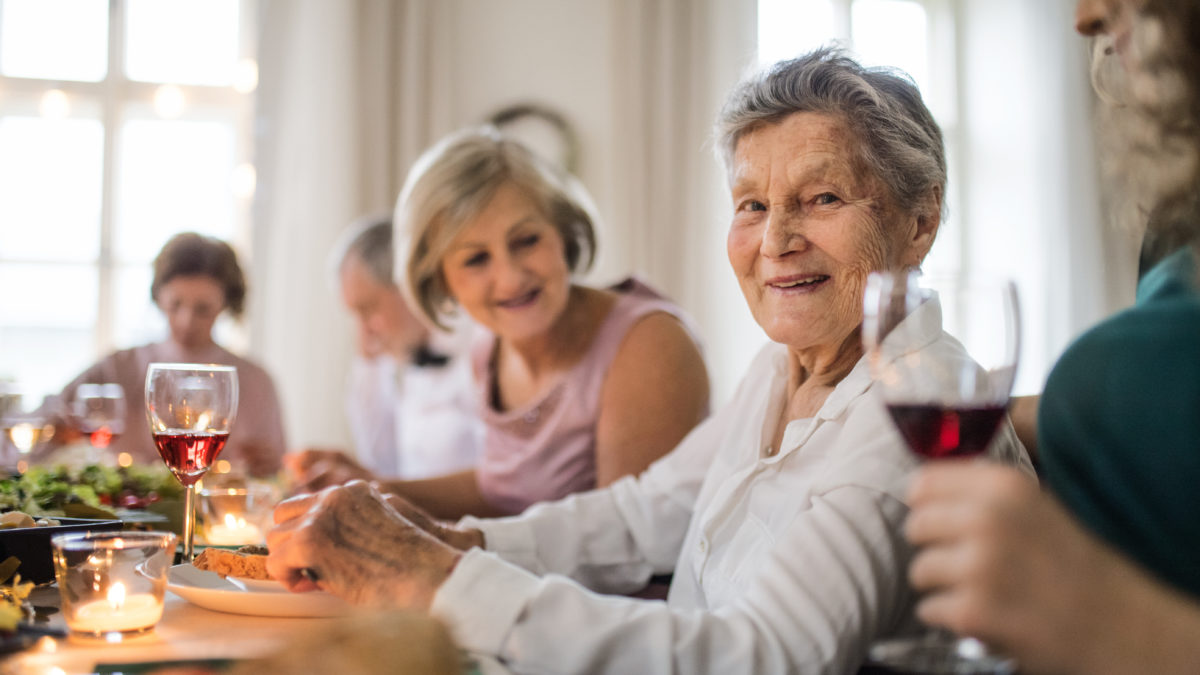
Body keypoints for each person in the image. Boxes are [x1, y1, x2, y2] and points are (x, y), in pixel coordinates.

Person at [264, 49, 1032, 674]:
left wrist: (436, 577)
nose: (774, 242)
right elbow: (640, 512)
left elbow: (764, 657)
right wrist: (458, 541)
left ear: (920, 219)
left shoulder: (917, 418)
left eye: (822, 197)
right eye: (752, 204)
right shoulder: (780, 371)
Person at [904, 0, 1200, 672]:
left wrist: (1119, 622)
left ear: (920, 220)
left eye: (824, 197)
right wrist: (983, 418)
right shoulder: (1180, 223)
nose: (1086, 15)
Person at [289, 128, 712, 520]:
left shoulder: (647, 346)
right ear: (439, 281)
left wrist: (436, 549)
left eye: (526, 240)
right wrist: (372, 488)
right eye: (476, 259)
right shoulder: (490, 346)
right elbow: (503, 489)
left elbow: (622, 549)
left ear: (563, 233)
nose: (510, 277)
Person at [41, 233, 286, 477]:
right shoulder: (119, 367)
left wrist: (270, 466)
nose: (186, 321)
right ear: (158, 298)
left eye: (203, 309)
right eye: (175, 305)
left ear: (226, 304)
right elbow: (45, 420)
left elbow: (278, 469)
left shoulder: (254, 381)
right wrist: (55, 430)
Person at [289, 215, 482, 480]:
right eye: (355, 316)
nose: (364, 331)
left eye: (368, 309)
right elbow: (384, 464)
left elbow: (503, 483)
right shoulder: (402, 356)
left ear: (408, 284)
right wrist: (347, 468)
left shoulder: (479, 347)